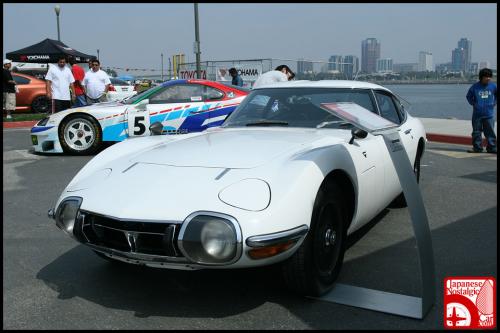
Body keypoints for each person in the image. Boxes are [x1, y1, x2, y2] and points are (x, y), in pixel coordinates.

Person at [466, 68, 497, 154]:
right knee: (476, 132)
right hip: (477, 114)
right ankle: (477, 148)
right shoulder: (475, 87)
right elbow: (468, 96)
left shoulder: (493, 86)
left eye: (490, 76)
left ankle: (492, 148)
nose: (488, 78)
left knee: (490, 132)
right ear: (481, 77)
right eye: (486, 76)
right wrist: (473, 104)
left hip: (489, 114)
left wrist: (494, 103)